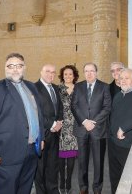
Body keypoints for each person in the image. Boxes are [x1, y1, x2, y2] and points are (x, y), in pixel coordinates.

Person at [0, 52, 44, 194]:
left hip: (31, 152)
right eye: (11, 66)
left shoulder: (32, 87)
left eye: (19, 66)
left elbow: (38, 114)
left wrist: (42, 138)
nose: (15, 69)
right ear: (5, 68)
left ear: (24, 68)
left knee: (25, 189)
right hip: (7, 154)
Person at [71, 62, 111, 194]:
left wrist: (93, 122)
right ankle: (83, 189)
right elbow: (74, 106)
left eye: (92, 71)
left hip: (98, 130)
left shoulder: (104, 87)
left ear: (96, 72)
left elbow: (107, 107)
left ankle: (97, 189)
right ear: (84, 73)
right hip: (82, 130)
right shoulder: (78, 86)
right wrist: (84, 121)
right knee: (82, 162)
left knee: (98, 163)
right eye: (86, 71)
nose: (89, 73)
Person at [34, 64, 63, 194]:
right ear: (41, 72)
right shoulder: (34, 88)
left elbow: (60, 108)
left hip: (55, 135)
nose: (50, 74)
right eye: (47, 71)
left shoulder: (56, 88)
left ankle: (53, 190)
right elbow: (36, 112)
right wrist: (52, 124)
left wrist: (59, 123)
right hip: (42, 135)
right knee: (40, 168)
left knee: (53, 166)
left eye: (53, 72)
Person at [57, 65, 80, 194]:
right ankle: (61, 183)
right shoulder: (58, 88)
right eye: (65, 74)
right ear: (62, 75)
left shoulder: (79, 89)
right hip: (62, 125)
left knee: (71, 156)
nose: (68, 76)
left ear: (74, 75)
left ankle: (68, 183)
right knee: (61, 157)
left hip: (75, 126)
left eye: (70, 74)